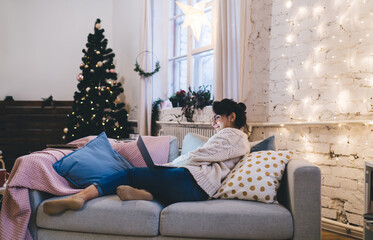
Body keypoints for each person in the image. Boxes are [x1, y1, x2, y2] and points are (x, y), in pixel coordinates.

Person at [43, 98, 251, 215]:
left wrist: (170, 165)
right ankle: (146, 194)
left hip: (192, 182)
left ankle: (79, 197)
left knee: (130, 174)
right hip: (195, 190)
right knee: (150, 182)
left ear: (231, 117)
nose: (213, 122)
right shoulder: (235, 139)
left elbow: (202, 154)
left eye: (217, 117)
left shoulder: (232, 135)